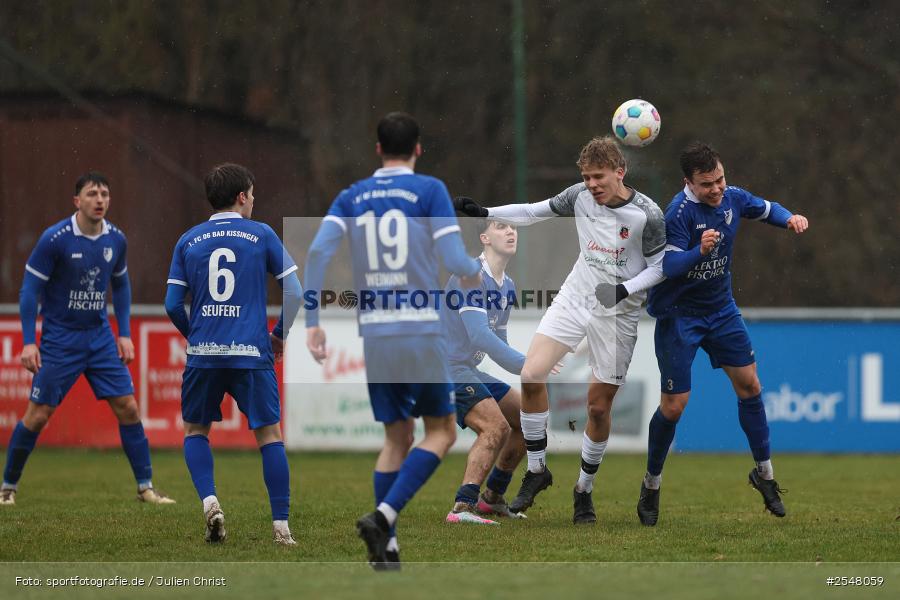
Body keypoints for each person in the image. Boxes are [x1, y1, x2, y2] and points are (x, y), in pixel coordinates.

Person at [455, 136, 667, 525]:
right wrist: (486, 210)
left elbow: (660, 266)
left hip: (618, 312)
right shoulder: (579, 196)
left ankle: (583, 489)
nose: (592, 185)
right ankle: (537, 470)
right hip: (576, 296)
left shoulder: (648, 214)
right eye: (586, 178)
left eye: (598, 177)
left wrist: (623, 289)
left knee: (598, 407)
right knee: (532, 374)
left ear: (620, 172)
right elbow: (532, 212)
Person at [304, 112, 481, 569]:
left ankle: (389, 549)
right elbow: (452, 256)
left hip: (377, 332)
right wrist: (471, 267)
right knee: (440, 432)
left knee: (396, 436)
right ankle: (384, 517)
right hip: (420, 328)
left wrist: (312, 320)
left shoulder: (352, 196)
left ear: (377, 149)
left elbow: (319, 251)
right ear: (418, 148)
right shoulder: (429, 191)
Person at [636, 141, 809, 526]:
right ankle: (651, 483)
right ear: (688, 183)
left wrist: (789, 218)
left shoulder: (733, 197)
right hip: (679, 315)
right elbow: (670, 266)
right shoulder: (677, 213)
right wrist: (699, 250)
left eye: (720, 179)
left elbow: (766, 209)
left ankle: (764, 474)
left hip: (720, 309)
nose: (716, 189)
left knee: (750, 386)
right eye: (707, 184)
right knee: (674, 406)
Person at [1, 172, 174, 506]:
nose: (100, 200)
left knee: (128, 407)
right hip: (60, 340)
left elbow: (121, 286)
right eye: (92, 194)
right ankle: (8, 486)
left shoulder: (116, 240)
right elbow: (29, 290)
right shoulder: (55, 239)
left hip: (99, 338)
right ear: (76, 201)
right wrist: (28, 341)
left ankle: (145, 488)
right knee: (37, 415)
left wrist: (124, 334)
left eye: (105, 194)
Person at [165, 163, 303, 545]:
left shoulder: (188, 240)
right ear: (242, 196)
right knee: (270, 436)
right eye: (253, 194)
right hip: (250, 352)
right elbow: (294, 292)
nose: (254, 200)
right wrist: (278, 336)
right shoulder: (261, 234)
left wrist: (198, 334)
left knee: (196, 431)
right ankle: (281, 529)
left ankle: (211, 502)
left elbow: (173, 304)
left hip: (204, 353)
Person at [443, 219, 530, 525]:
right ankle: (462, 508)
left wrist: (530, 365)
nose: (510, 232)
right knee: (496, 427)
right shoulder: (470, 276)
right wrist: (528, 365)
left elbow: (499, 340)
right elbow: (480, 336)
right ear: (484, 237)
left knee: (527, 420)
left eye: (514, 228)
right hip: (443, 368)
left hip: (466, 368)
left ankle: (491, 498)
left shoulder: (508, 285)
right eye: (501, 226)